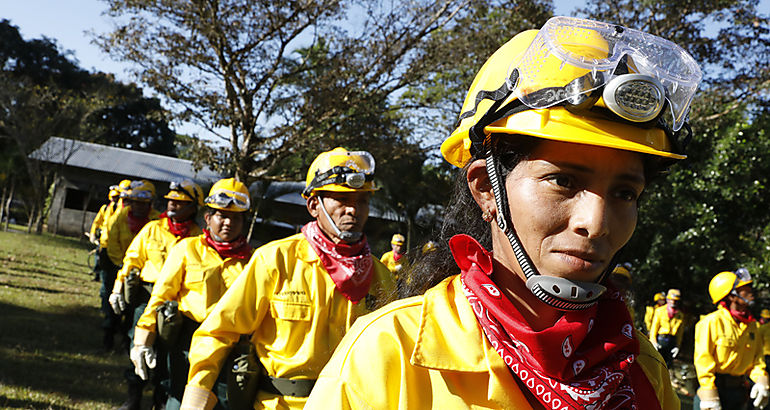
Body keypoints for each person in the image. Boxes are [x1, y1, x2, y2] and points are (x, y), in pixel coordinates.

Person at [307, 15, 700, 409]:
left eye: (625, 193)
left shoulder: (643, 367)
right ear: (486, 189)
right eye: (563, 181)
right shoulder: (388, 353)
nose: (595, 224)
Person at [180, 147, 394, 409]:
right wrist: (196, 396)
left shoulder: (381, 277)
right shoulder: (275, 260)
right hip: (278, 404)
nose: (353, 210)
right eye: (341, 199)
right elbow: (219, 330)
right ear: (314, 205)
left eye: (362, 200)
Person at [131, 178, 253, 410]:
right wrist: (142, 341)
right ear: (208, 218)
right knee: (179, 399)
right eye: (221, 215)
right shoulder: (186, 249)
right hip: (186, 340)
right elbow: (161, 295)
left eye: (236, 217)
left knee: (223, 404)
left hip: (231, 346)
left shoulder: (253, 261)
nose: (228, 222)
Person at [109, 179, 204, 410]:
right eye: (170, 200)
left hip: (177, 306)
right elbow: (132, 259)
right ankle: (133, 399)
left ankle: (161, 401)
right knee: (138, 345)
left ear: (193, 208)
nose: (172, 205)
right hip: (147, 297)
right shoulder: (152, 228)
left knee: (171, 356)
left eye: (180, 203)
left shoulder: (199, 238)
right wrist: (118, 286)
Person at [694, 268, 769, 410]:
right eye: (744, 288)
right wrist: (710, 396)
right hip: (714, 391)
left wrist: (762, 381)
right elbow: (703, 361)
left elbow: (757, 360)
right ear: (731, 296)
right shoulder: (711, 323)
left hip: (739, 394)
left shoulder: (753, 326)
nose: (751, 291)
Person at [101, 180, 160, 351]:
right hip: (119, 267)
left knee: (134, 310)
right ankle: (108, 337)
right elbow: (113, 241)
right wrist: (121, 265)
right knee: (114, 306)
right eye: (136, 203)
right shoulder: (120, 216)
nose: (139, 207)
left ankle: (129, 343)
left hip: (143, 274)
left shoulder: (157, 221)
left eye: (143, 204)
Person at [88, 183, 123, 280]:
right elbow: (97, 222)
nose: (114, 199)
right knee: (99, 257)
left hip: (116, 241)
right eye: (113, 197)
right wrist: (93, 233)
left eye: (116, 197)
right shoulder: (105, 208)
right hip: (104, 240)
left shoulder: (122, 209)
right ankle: (97, 274)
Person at [649, 289, 685, 367]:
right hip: (660, 340)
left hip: (671, 341)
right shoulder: (659, 311)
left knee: (667, 366)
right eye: (671, 300)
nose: (673, 302)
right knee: (656, 364)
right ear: (667, 299)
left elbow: (680, 333)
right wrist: (653, 342)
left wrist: (677, 346)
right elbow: (653, 329)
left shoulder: (680, 315)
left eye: (675, 300)